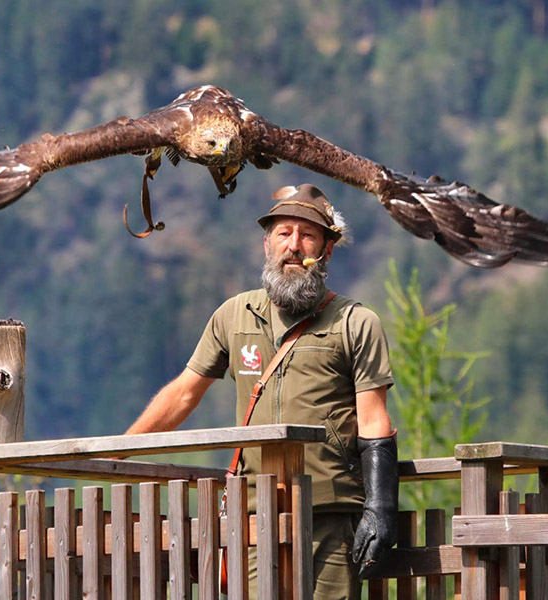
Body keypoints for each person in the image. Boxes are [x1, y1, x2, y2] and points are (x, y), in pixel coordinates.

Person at [125, 183, 398, 599]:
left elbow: (374, 420)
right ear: (266, 244)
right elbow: (183, 394)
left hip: (329, 512)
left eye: (308, 234)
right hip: (252, 514)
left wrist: (380, 508)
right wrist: (118, 451)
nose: (294, 245)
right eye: (284, 232)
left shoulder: (356, 322)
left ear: (325, 250)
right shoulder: (234, 315)